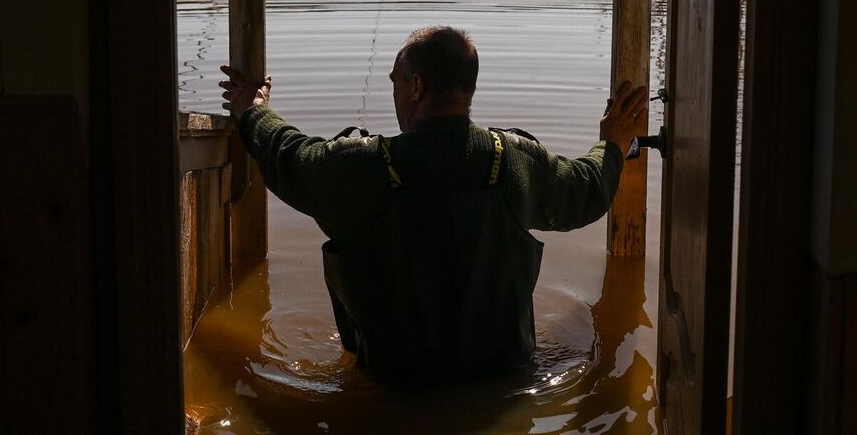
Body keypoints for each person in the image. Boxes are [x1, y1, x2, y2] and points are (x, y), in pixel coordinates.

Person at [219, 26, 650, 386]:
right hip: (504, 383)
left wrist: (254, 110)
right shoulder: (516, 159)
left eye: (395, 82)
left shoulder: (360, 166)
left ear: (417, 85)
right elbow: (589, 190)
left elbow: (286, 154)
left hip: (392, 388)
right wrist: (612, 144)